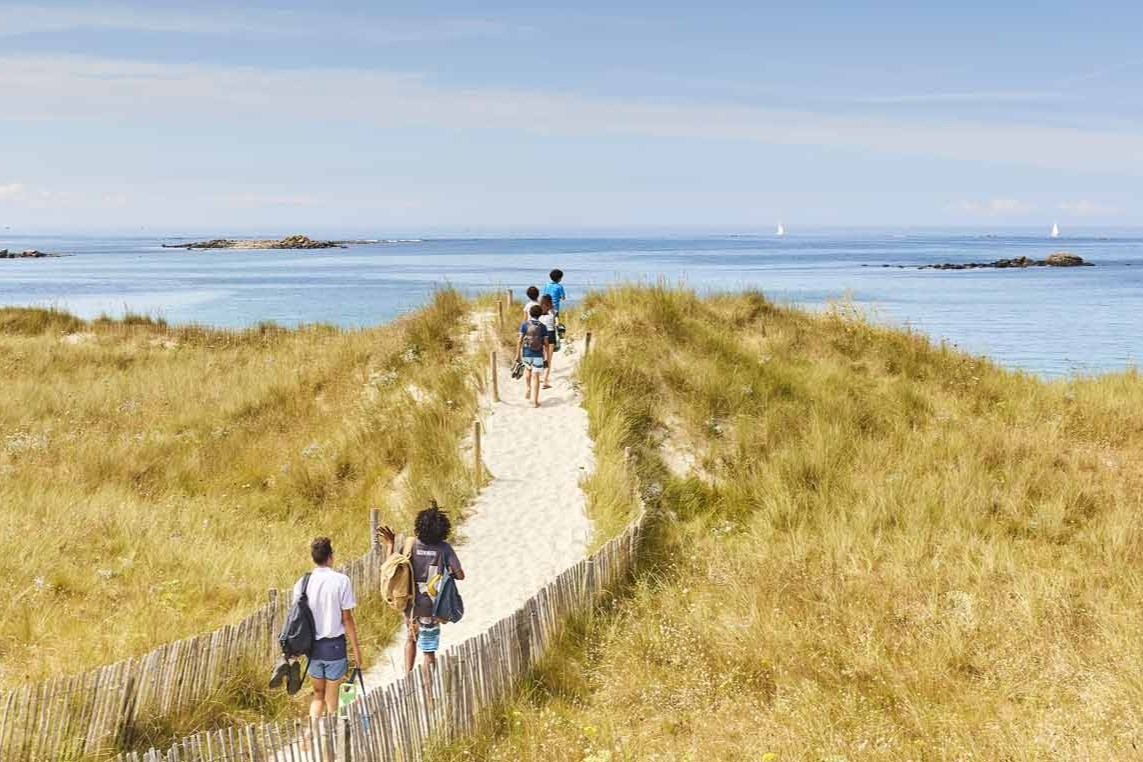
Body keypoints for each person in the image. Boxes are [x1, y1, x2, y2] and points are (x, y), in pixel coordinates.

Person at [377, 502, 464, 672]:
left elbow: (392, 568)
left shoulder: (411, 544)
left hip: (411, 605)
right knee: (429, 651)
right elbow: (460, 575)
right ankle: (428, 691)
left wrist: (390, 544)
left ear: (419, 527)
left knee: (411, 639)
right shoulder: (444, 549)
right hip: (433, 607)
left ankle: (407, 676)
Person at [291, 537, 363, 724]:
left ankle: (312, 734)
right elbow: (347, 618)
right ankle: (328, 746)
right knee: (332, 701)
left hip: (312, 650)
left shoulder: (302, 583)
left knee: (318, 696)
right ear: (331, 557)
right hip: (334, 648)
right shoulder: (341, 581)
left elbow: (297, 617)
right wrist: (356, 651)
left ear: (313, 558)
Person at [516, 303, 550, 408]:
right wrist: (547, 357)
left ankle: (528, 387)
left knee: (527, 370)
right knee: (536, 377)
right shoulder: (543, 327)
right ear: (540, 315)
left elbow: (520, 340)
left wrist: (518, 354)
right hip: (538, 354)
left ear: (530, 313)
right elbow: (546, 343)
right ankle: (535, 402)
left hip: (526, 352)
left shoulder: (524, 325)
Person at [538, 294, 557, 389]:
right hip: (551, 335)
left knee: (543, 357)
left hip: (542, 335)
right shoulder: (553, 312)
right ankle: (545, 380)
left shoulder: (539, 313)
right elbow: (555, 323)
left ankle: (541, 375)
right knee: (549, 359)